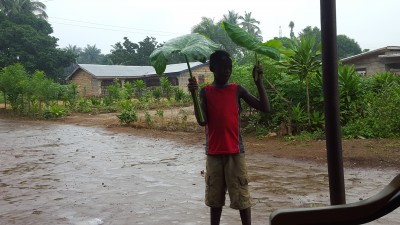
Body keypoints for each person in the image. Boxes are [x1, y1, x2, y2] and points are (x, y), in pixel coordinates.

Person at [187, 50, 271, 225]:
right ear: (212, 68)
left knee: (242, 198)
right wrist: (194, 95)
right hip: (214, 154)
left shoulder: (237, 90)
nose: (227, 71)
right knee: (215, 201)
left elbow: (265, 107)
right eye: (223, 67)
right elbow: (202, 121)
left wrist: (259, 82)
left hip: (235, 152)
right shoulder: (205, 92)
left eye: (229, 67)